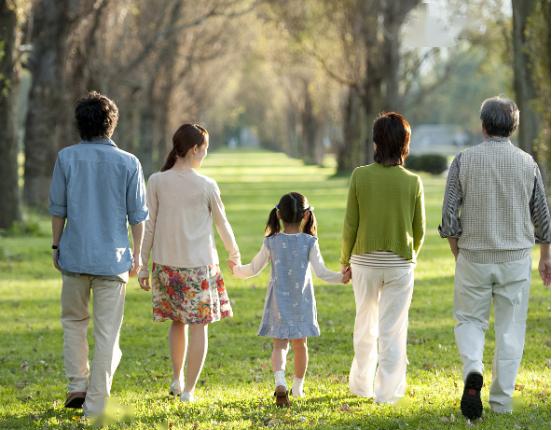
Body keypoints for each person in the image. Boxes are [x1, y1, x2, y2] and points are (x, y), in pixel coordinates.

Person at [439, 96, 550, 420]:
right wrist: (545, 255)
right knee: (510, 330)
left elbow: (449, 218)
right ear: (512, 127)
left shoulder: (464, 159)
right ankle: (501, 401)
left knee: (470, 321)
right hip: (515, 258)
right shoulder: (527, 163)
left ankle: (473, 368)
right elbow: (542, 215)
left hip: (474, 255)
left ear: (483, 126)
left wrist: (458, 253)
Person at [48, 91, 148, 417]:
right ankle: (95, 405)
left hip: (74, 255)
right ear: (111, 125)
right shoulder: (129, 162)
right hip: (113, 259)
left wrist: (56, 244)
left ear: (80, 124)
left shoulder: (65, 158)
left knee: (74, 322)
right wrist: (138, 255)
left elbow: (58, 209)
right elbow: (138, 216)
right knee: (108, 334)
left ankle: (78, 383)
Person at [138, 123, 240, 403]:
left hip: (166, 267)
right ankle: (189, 390)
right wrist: (234, 255)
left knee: (177, 323)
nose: (205, 154)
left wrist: (143, 264)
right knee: (199, 327)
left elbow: (149, 225)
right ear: (195, 149)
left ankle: (176, 377)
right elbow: (223, 224)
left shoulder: (157, 180)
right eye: (204, 149)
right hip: (199, 268)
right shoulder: (206, 185)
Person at [230, 192, 348, 407]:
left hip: (278, 303)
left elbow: (253, 269)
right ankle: (298, 387)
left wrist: (237, 270)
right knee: (300, 345)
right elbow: (321, 272)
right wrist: (342, 278)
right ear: (305, 216)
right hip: (301, 303)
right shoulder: (309, 242)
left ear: (278, 214)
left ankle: (280, 381)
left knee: (279, 346)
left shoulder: (271, 242)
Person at [341, 112, 425, 404]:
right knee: (393, 329)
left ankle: (361, 385)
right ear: (405, 144)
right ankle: (387, 393)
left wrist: (345, 260)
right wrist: (409, 257)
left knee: (365, 326)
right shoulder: (413, 181)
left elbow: (350, 224)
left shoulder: (359, 176)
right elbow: (420, 229)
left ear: (376, 142)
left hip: (363, 262)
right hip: (400, 264)